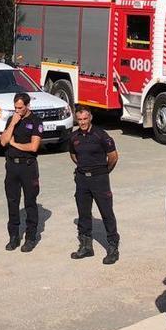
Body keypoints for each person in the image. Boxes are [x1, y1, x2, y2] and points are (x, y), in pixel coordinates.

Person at [68, 105, 120, 264]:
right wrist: (84, 169)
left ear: (90, 118)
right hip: (82, 179)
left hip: (99, 179)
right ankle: (86, 246)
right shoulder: (74, 136)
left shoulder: (101, 135)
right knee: (83, 213)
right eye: (80, 119)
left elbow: (113, 157)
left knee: (106, 212)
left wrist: (103, 172)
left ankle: (112, 247)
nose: (82, 122)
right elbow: (73, 155)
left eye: (85, 119)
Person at [0, 92, 43, 252]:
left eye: (20, 108)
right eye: (15, 107)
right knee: (12, 201)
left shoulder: (36, 121)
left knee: (30, 202)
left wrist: (15, 144)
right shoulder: (12, 119)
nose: (17, 110)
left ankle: (30, 237)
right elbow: (4, 142)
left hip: (28, 166)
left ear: (27, 105)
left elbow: (33, 147)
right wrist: (12, 124)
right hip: (12, 166)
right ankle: (13, 236)